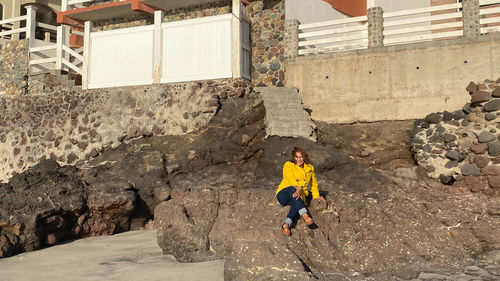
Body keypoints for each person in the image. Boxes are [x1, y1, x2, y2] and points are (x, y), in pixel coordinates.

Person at [276, 147, 326, 236]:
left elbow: (314, 183)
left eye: (301, 157)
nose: (299, 159)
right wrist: (298, 189)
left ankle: (286, 224)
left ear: (304, 157)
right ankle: (305, 215)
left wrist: (316, 195)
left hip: (298, 196)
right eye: (297, 157)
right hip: (284, 194)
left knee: (297, 204)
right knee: (293, 189)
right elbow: (290, 179)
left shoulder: (309, 168)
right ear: (293, 157)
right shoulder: (288, 165)